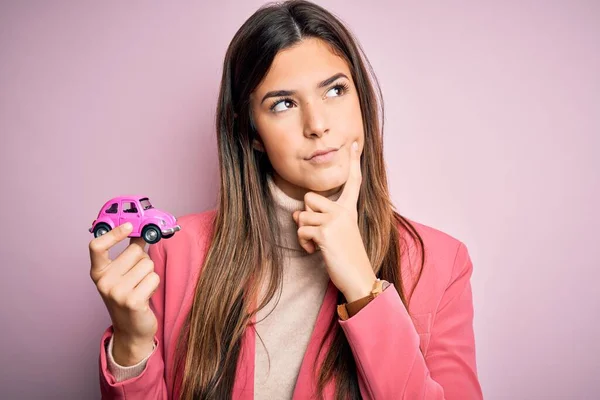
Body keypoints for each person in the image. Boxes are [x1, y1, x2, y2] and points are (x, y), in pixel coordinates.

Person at [89, 1, 483, 399]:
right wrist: (132, 343)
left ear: (361, 99)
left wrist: (364, 289)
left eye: (335, 90)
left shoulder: (439, 263)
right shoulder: (174, 254)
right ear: (252, 133)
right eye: (283, 104)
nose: (317, 125)